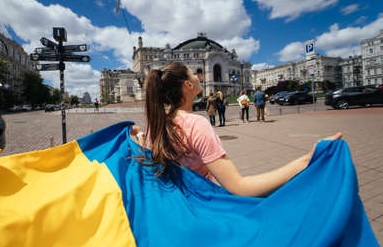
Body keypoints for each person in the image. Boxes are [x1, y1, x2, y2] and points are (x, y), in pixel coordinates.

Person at [131, 62, 342, 196]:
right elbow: (239, 188)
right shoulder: (196, 124)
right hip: (205, 206)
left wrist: (140, 134)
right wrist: (307, 160)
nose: (199, 77)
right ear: (187, 85)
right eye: (194, 74)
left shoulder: (158, 125)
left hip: (178, 208)